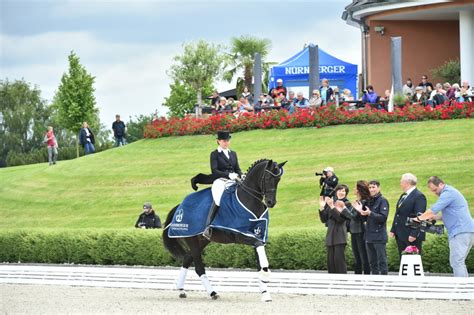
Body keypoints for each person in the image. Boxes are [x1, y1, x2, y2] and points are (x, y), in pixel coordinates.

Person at [416, 176, 474, 277]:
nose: (435, 193)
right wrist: (434, 218)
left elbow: (433, 209)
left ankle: (461, 289)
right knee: (459, 262)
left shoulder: (447, 193)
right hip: (466, 230)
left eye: (435, 189)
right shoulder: (451, 192)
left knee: (456, 262)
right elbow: (449, 214)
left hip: (460, 231)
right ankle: (464, 287)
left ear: (441, 184)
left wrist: (418, 219)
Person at [203, 130, 242, 239]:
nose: (226, 143)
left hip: (234, 179)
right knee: (218, 198)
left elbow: (237, 169)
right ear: (218, 141)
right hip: (220, 180)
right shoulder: (214, 154)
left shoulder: (233, 153)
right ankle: (208, 226)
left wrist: (241, 175)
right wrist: (229, 175)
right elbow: (214, 171)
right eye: (224, 141)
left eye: (227, 141)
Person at [354, 180, 389, 275]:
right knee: (372, 262)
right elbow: (364, 218)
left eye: (373, 187)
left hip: (379, 236)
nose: (371, 189)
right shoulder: (369, 201)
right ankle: (375, 283)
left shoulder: (383, 201)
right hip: (369, 236)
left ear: (378, 188)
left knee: (382, 261)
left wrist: (370, 213)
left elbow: (383, 218)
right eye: (370, 187)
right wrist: (360, 211)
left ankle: (384, 281)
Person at [390, 173, 427, 257]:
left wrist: (414, 233)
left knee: (412, 259)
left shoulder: (419, 196)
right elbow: (398, 213)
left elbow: (420, 216)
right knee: (403, 259)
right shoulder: (403, 195)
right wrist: (393, 229)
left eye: (401, 182)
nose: (400, 184)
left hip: (411, 233)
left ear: (407, 183)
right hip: (401, 232)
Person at [319, 185, 351, 274]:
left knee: (339, 261)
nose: (341, 192)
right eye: (340, 190)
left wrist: (332, 207)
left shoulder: (346, 204)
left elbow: (340, 219)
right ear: (336, 192)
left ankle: (342, 281)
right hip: (330, 236)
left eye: (344, 191)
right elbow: (324, 219)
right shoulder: (331, 202)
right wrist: (322, 207)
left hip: (340, 236)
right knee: (330, 262)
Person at [348, 180, 371, 274]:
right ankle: (357, 276)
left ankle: (366, 275)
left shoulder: (364, 201)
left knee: (363, 256)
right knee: (356, 256)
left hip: (360, 231)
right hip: (354, 231)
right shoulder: (358, 201)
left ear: (359, 189)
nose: (354, 189)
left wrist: (344, 209)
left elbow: (355, 216)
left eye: (355, 187)